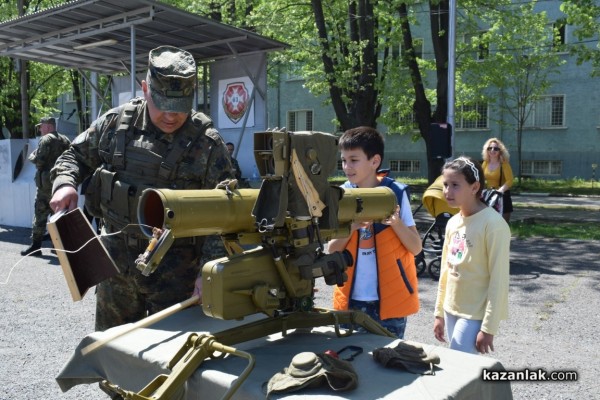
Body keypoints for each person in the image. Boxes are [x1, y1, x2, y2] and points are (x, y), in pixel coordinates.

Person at [50, 45, 235, 331]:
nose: (171, 116)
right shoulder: (115, 125)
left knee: (173, 362)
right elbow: (73, 156)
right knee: (112, 351)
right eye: (162, 104)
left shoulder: (207, 144)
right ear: (145, 88)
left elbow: (226, 212)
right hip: (116, 269)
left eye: (180, 107)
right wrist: (65, 184)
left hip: (177, 275)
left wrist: (208, 273)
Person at [328, 126, 422, 338]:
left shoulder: (395, 193)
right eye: (343, 160)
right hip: (351, 301)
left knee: (388, 363)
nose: (346, 167)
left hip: (389, 304)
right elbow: (331, 249)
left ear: (375, 161)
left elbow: (416, 248)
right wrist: (351, 227)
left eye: (353, 160)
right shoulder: (342, 195)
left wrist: (395, 223)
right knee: (350, 361)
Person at [433, 156, 510, 354]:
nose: (447, 192)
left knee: (459, 363)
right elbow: (445, 271)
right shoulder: (452, 222)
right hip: (451, 308)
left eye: (455, 185)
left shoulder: (493, 225)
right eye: (445, 185)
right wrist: (439, 312)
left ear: (475, 187)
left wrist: (488, 327)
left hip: (475, 312)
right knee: (460, 365)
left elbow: (499, 279)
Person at [21, 117, 71, 257]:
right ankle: (57, 247)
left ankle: (36, 247)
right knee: (59, 216)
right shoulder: (65, 140)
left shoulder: (45, 140)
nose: (40, 129)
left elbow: (39, 162)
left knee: (40, 215)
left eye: (41, 126)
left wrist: (32, 157)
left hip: (45, 186)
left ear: (48, 127)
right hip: (60, 184)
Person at [481, 138, 514, 223]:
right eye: (490, 148)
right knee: (488, 224)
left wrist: (500, 191)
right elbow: (480, 178)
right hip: (488, 197)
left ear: (500, 151)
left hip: (502, 197)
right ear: (487, 150)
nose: (492, 150)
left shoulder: (504, 163)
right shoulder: (485, 163)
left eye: (496, 148)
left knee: (502, 225)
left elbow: (510, 181)